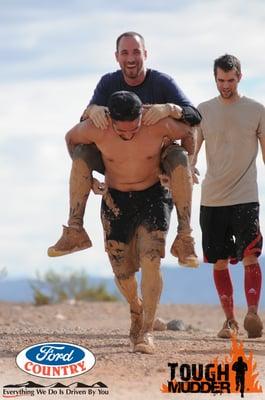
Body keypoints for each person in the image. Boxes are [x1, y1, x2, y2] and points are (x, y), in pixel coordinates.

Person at [47, 31, 201, 267]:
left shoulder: (161, 82)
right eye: (125, 52)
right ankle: (74, 230)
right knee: (81, 153)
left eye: (136, 52)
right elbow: (79, 129)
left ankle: (185, 237)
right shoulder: (108, 83)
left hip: (156, 156)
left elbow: (194, 118)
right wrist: (92, 110)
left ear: (145, 54)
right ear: (117, 57)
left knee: (179, 155)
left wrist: (170, 109)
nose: (131, 58)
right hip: (114, 157)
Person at [63, 90, 195, 353]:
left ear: (140, 117)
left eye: (133, 130)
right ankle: (135, 307)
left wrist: (184, 168)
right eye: (121, 132)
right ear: (110, 120)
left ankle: (146, 330)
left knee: (151, 258)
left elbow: (189, 133)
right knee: (122, 273)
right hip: (116, 199)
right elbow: (71, 139)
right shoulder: (97, 127)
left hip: (153, 195)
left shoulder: (156, 123)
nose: (128, 135)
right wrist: (88, 177)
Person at [192, 54, 265, 339]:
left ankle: (252, 314)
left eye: (230, 80)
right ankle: (230, 321)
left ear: (240, 77)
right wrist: (188, 167)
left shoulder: (257, 110)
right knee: (219, 261)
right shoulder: (203, 111)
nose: (225, 85)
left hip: (246, 196)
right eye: (220, 80)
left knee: (250, 257)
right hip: (212, 199)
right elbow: (192, 152)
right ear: (215, 78)